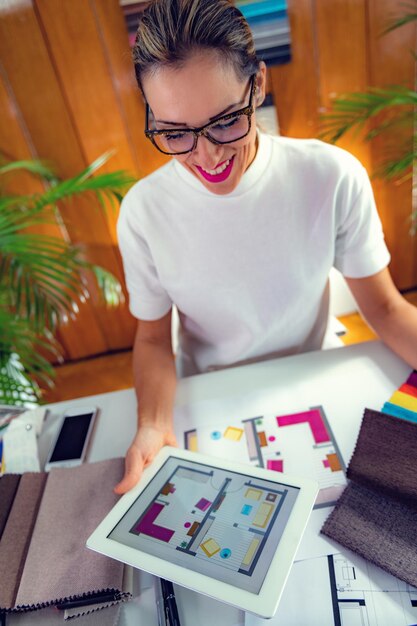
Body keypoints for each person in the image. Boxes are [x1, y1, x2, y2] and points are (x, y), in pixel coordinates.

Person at [114, 0, 417, 495]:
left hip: (311, 377)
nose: (206, 156)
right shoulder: (145, 212)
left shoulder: (329, 176)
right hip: (209, 394)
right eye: (174, 133)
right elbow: (151, 339)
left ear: (258, 83)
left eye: (226, 121)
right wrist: (150, 424)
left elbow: (384, 307)